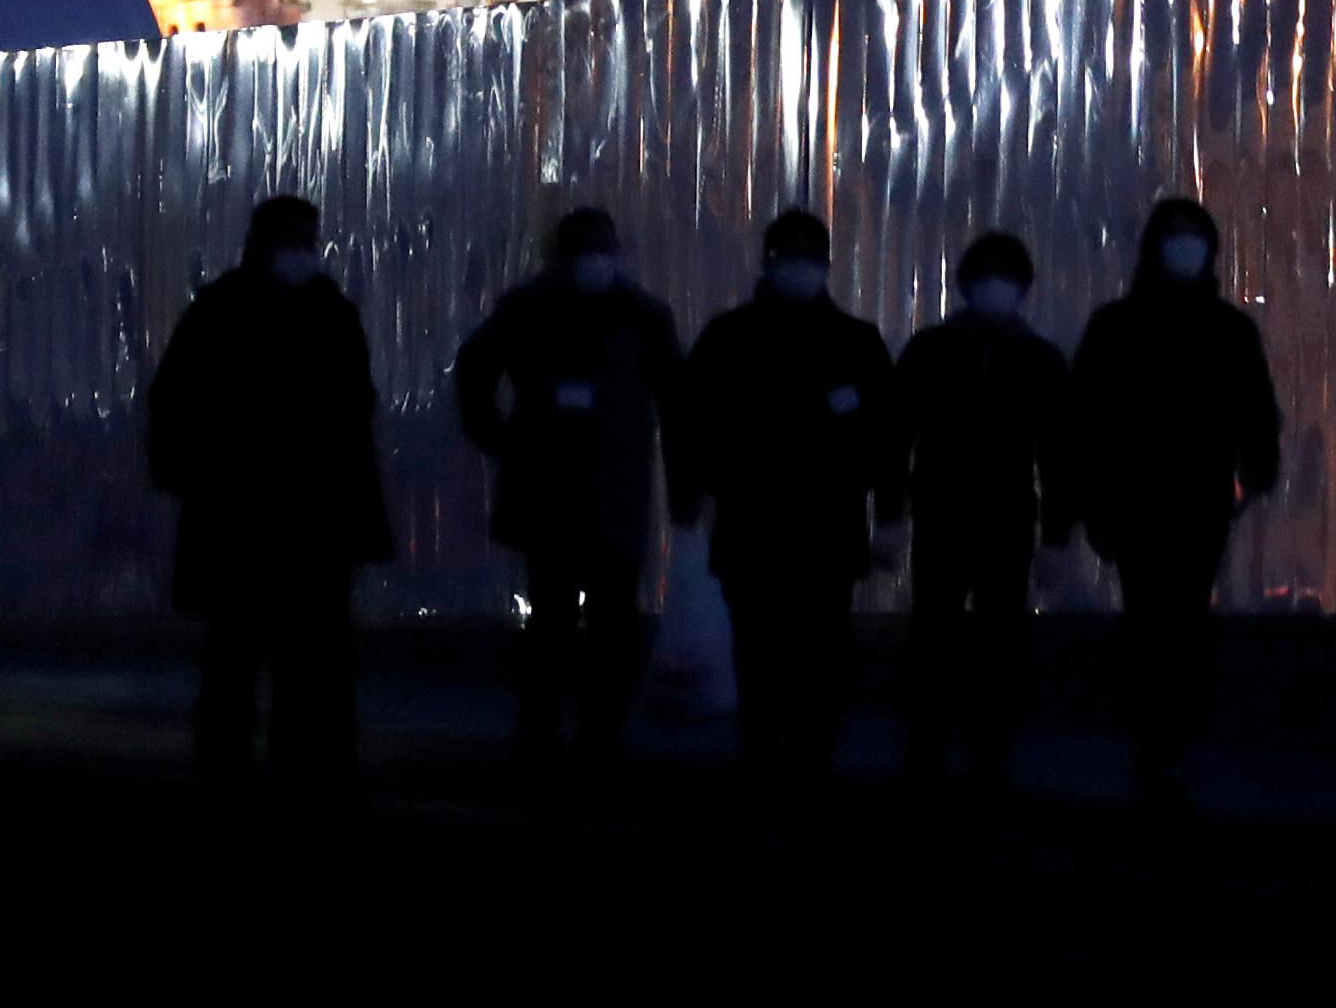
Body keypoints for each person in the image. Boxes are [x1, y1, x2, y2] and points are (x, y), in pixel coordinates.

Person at [144, 191, 393, 788]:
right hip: (286, 512)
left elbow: (174, 403)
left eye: (306, 239)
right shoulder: (318, 310)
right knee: (289, 653)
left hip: (256, 510)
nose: (302, 250)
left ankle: (245, 768)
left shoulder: (233, 307)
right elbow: (355, 415)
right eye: (294, 239)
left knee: (253, 650)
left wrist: (186, 474)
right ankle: (301, 769)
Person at [1055, 194, 1279, 807]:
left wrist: (1254, 474)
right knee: (1156, 621)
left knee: (1176, 621)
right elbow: (1086, 418)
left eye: (1195, 235)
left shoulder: (1228, 329)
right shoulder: (1117, 327)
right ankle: (1160, 745)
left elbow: (1256, 409)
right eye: (1176, 235)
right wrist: (1090, 501)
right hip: (1137, 500)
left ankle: (1166, 743)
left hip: (1200, 498)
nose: (1186, 246)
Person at [666, 204, 898, 780]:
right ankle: (772, 754)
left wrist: (890, 513)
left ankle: (804, 755)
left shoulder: (853, 341)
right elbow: (690, 422)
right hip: (761, 522)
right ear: (770, 262)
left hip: (816, 524)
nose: (802, 266)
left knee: (817, 650)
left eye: (809, 255)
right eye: (792, 255)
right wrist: (692, 489)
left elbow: (887, 435)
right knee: (765, 649)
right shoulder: (732, 337)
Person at [450, 202, 681, 779]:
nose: (593, 260)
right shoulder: (555, 309)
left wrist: (499, 436)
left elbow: (678, 399)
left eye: (599, 247)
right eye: (586, 249)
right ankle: (565, 736)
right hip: (574, 489)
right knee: (565, 621)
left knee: (596, 624)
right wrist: (497, 435)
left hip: (590, 489)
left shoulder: (629, 313)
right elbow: (476, 368)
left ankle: (582, 735)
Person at [893, 229, 1069, 788]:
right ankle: (942, 748)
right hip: (957, 515)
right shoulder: (936, 351)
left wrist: (1057, 535)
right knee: (945, 638)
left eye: (1005, 275)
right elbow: (896, 436)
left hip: (996, 517)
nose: (997, 285)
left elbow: (1061, 450)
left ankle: (975, 751)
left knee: (987, 641)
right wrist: (893, 513)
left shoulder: (1033, 358)